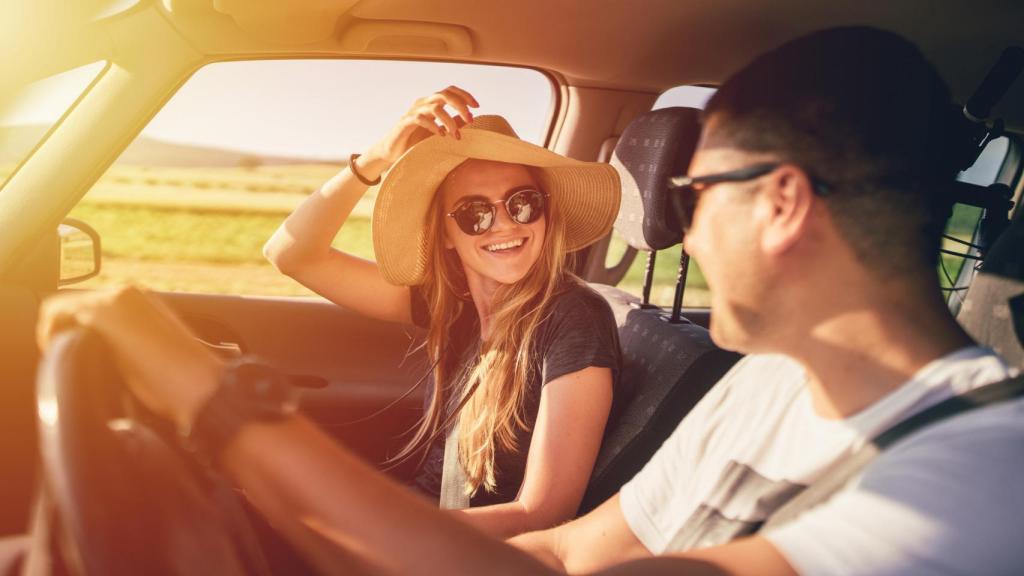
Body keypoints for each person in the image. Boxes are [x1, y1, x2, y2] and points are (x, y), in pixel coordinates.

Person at [37, 26, 1023, 575]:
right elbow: (560, 555)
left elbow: (547, 535)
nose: (672, 228)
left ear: (779, 203)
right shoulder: (767, 385)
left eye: (690, 194)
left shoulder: (979, 476)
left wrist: (222, 415)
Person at [259, 87, 626, 536]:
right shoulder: (455, 305)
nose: (506, 224)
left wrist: (371, 530)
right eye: (475, 213)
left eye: (523, 203)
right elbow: (290, 254)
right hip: (410, 521)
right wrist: (373, 160)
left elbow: (544, 513)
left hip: (441, 548)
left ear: (545, 213)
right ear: (446, 233)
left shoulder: (574, 318)